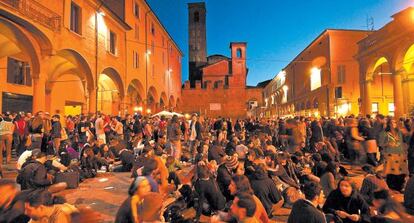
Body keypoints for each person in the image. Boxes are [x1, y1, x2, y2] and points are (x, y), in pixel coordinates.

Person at [378, 119, 408, 192]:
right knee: (391, 171)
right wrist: (387, 144)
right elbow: (380, 144)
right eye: (391, 122)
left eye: (394, 122)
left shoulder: (399, 132)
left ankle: (399, 186)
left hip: (400, 154)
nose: (393, 124)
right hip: (390, 155)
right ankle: (392, 187)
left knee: (401, 171)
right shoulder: (384, 133)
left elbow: (403, 142)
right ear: (388, 124)